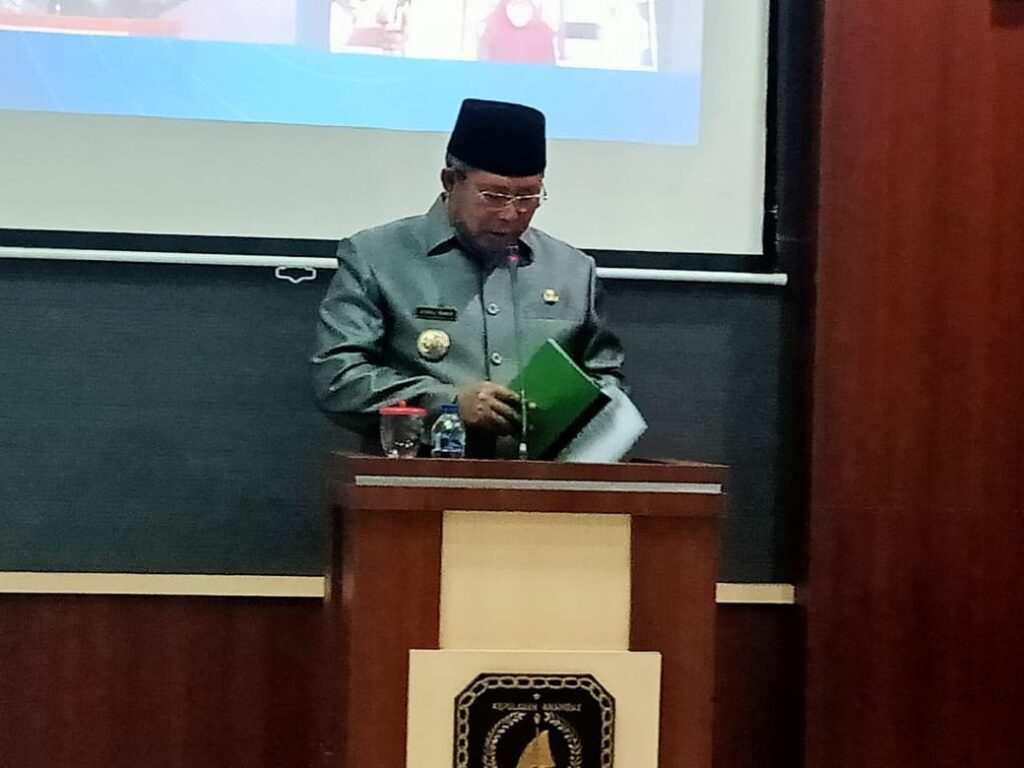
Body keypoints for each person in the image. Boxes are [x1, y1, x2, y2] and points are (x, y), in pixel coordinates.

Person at [312, 98, 625, 457]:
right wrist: (446, 403)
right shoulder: (377, 257)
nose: (511, 213)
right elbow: (338, 378)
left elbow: (607, 383)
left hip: (543, 481)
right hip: (418, 479)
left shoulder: (573, 270)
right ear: (450, 180)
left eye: (528, 197)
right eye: (494, 195)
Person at [477, 0, 556, 65]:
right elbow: (482, 68)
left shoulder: (543, 34)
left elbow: (550, 71)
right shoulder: (492, 30)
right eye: (513, 4)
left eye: (524, 5)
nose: (519, 10)